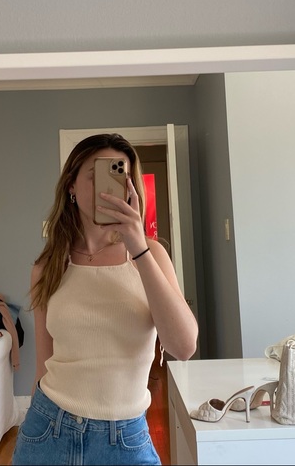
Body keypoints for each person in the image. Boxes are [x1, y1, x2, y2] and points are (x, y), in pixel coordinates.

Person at [13, 133, 198, 465]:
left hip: (126, 438)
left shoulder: (151, 254)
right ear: (71, 185)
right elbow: (43, 364)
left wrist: (137, 246)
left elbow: (183, 347)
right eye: (98, 174)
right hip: (47, 429)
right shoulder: (48, 266)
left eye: (121, 175)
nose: (111, 187)